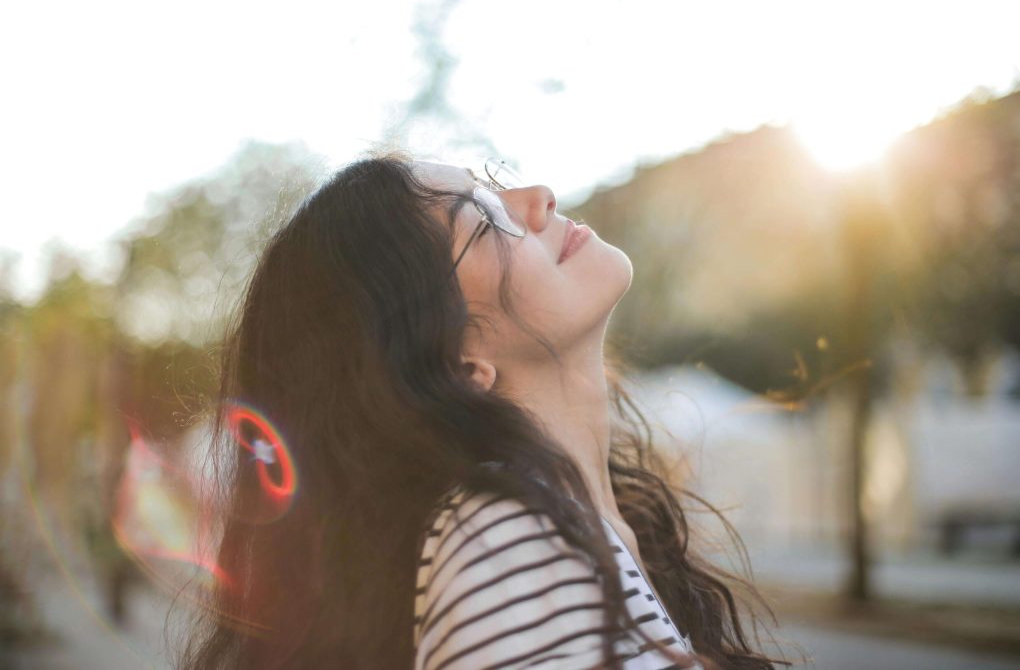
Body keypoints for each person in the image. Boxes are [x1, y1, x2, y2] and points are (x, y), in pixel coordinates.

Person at [177, 153, 783, 669]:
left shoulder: (572, 530)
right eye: (486, 219)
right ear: (454, 358)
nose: (537, 198)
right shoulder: (510, 538)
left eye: (494, 182)